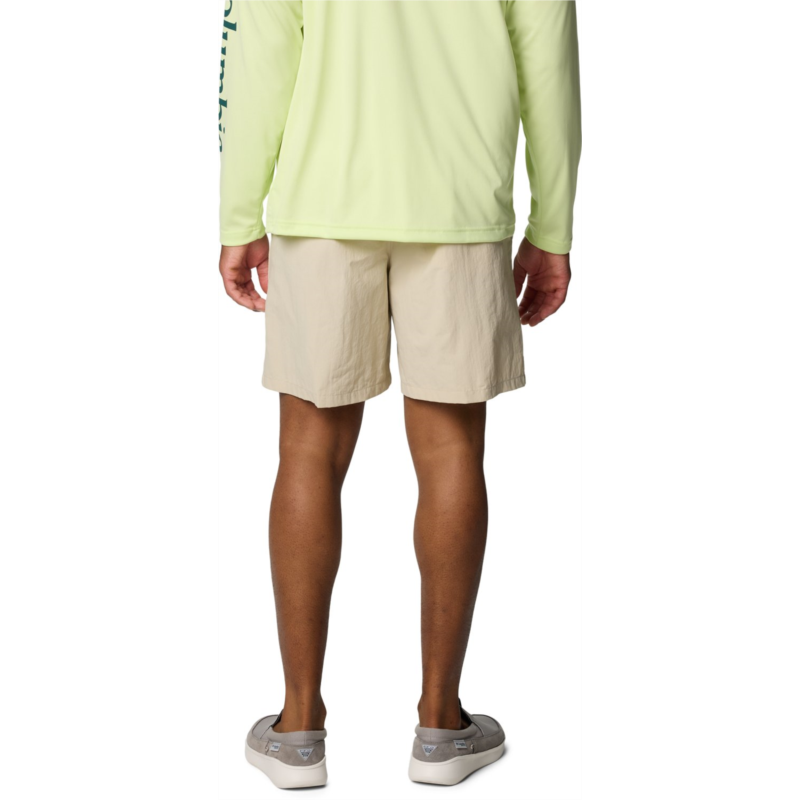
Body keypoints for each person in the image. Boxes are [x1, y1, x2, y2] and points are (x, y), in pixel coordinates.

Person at [218, 0, 581, 790]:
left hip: (322, 202)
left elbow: (255, 50)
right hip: (459, 202)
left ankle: (297, 728)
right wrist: (553, 226)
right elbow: (549, 57)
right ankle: (441, 726)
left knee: (308, 450)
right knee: (451, 453)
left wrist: (237, 212)